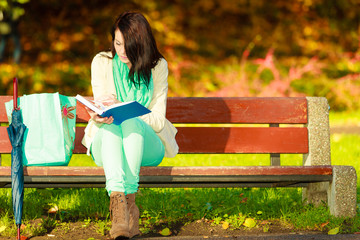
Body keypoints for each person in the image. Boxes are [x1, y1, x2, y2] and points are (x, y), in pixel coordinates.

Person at [81, 12, 179, 239]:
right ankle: (122, 212)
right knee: (113, 125)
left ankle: (129, 202)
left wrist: (129, 108)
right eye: (117, 43)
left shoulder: (158, 66)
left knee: (130, 121)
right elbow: (104, 107)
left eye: (128, 45)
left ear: (141, 44)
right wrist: (99, 116)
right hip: (107, 144)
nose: (122, 51)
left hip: (147, 146)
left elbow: (156, 120)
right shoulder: (101, 62)